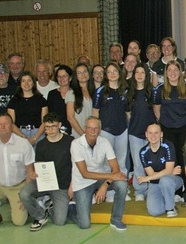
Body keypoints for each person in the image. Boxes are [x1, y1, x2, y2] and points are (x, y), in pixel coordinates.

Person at [69, 116, 128, 230]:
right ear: (85, 129)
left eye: (96, 128)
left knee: (122, 184)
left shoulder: (104, 142)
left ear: (100, 130)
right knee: (84, 224)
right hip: (82, 183)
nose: (93, 131)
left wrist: (105, 185)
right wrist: (110, 176)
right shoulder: (76, 144)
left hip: (100, 179)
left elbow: (116, 169)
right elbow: (85, 174)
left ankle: (116, 220)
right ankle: (71, 210)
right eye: (90, 128)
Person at [0, 113, 34, 230]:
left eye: (6, 123)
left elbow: (30, 171)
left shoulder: (23, 144)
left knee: (19, 222)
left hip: (18, 186)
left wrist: (26, 196)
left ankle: (25, 208)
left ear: (12, 126)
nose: (3, 126)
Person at [19, 112, 73, 231]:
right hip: (44, 182)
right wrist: (34, 174)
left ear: (59, 125)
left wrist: (71, 186)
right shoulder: (41, 144)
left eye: (53, 126)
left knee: (60, 221)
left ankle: (50, 208)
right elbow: (39, 166)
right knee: (24, 193)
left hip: (62, 185)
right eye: (47, 127)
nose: (50, 130)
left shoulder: (70, 142)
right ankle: (40, 216)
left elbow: (76, 166)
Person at [154, 60, 186, 177]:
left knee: (185, 156)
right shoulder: (160, 90)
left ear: (180, 72)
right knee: (171, 157)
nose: (173, 73)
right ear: (166, 73)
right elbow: (157, 109)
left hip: (185, 127)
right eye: (170, 70)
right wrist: (164, 121)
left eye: (175, 70)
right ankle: (176, 188)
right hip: (167, 128)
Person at [93, 62, 130, 196]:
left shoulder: (124, 90)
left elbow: (127, 113)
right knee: (107, 163)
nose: (112, 74)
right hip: (105, 132)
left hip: (122, 131)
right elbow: (95, 113)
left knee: (121, 162)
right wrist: (96, 132)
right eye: (109, 71)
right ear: (105, 75)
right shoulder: (100, 91)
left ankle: (122, 190)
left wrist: (128, 129)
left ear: (119, 73)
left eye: (115, 71)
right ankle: (108, 192)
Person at [138, 123, 182, 217]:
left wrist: (147, 178)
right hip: (155, 183)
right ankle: (166, 199)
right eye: (150, 133)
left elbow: (167, 172)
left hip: (173, 181)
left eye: (156, 133)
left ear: (161, 134)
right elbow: (157, 173)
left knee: (166, 180)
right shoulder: (143, 152)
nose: (153, 136)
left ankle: (170, 208)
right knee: (154, 212)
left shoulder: (168, 146)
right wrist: (167, 172)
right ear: (146, 134)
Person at [127, 64, 157, 201]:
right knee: (138, 163)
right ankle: (139, 190)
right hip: (135, 133)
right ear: (133, 75)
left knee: (151, 162)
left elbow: (156, 112)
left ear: (146, 75)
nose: (139, 75)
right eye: (137, 72)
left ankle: (152, 189)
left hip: (151, 134)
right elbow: (128, 114)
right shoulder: (130, 93)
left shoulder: (151, 91)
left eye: (142, 72)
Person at [7, 71, 48, 146]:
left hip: (38, 134)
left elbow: (44, 122)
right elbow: (11, 123)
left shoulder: (41, 100)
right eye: (23, 81)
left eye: (29, 80)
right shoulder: (13, 101)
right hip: (19, 134)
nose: (26, 83)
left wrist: (35, 138)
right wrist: (23, 137)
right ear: (20, 83)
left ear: (33, 83)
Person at [66, 63, 94, 138]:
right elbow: (70, 117)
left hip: (94, 133)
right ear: (76, 76)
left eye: (85, 71)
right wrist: (83, 135)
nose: (83, 74)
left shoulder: (94, 91)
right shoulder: (71, 93)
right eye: (79, 73)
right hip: (79, 135)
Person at [47, 65, 73, 135]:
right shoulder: (52, 94)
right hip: (55, 131)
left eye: (64, 76)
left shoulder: (75, 94)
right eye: (59, 76)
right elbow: (49, 115)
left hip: (73, 131)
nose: (62, 78)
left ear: (70, 78)